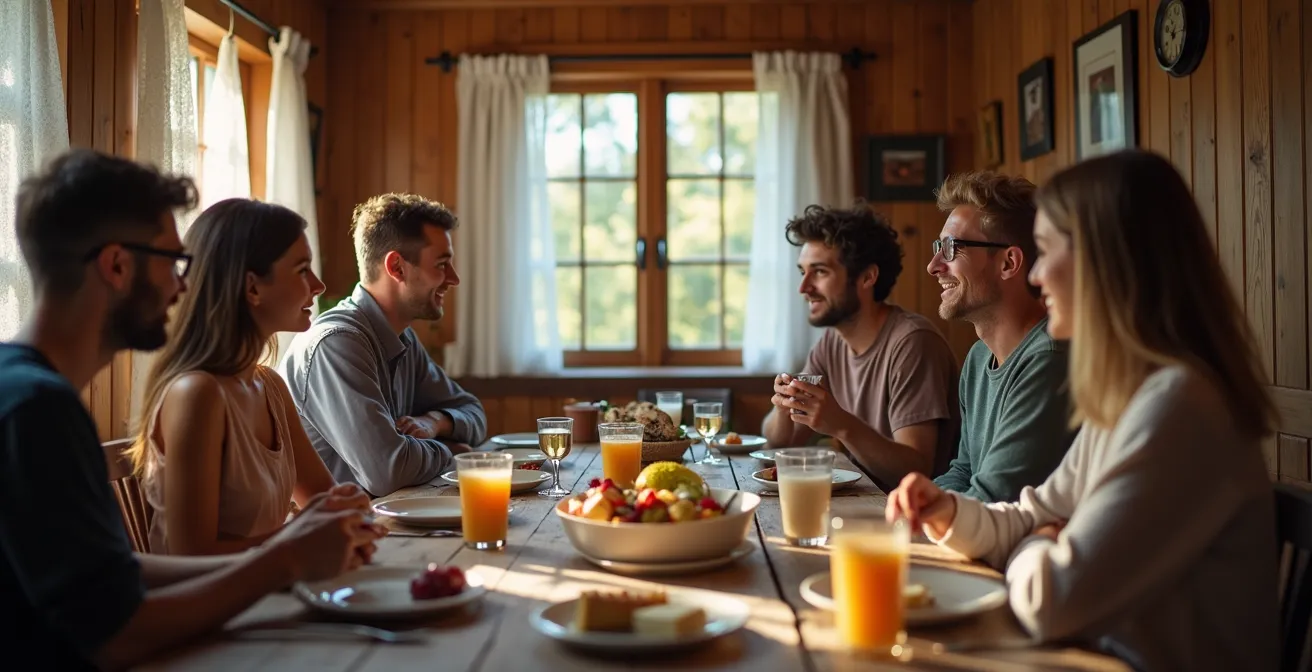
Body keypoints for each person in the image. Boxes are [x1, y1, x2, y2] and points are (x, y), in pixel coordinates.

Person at [888, 150, 1279, 671]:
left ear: (1108, 263)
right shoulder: (1131, 394)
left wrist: (1037, 546)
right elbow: (1031, 514)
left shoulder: (1180, 406)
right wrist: (949, 513)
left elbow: (1054, 602)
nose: (1038, 274)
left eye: (1047, 251)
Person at [0, 149, 382, 669]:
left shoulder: (32, 394)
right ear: (116, 265)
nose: (184, 284)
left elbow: (118, 573)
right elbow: (115, 635)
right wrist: (285, 558)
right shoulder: (35, 410)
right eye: (172, 262)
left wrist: (292, 552)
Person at [129, 198, 352, 555]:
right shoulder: (197, 394)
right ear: (252, 289)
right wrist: (300, 537)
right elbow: (193, 557)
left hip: (268, 591)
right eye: (302, 269)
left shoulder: (270, 386)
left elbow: (322, 500)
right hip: (211, 606)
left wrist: (347, 507)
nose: (319, 285)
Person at [279, 193, 486, 496]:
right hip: (339, 537)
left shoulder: (402, 337)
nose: (453, 279)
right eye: (442, 265)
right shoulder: (336, 343)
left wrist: (436, 422)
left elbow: (473, 411)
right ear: (397, 268)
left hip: (384, 526)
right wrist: (452, 451)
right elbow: (389, 470)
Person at [761, 204, 959, 488]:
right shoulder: (831, 343)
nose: (803, 288)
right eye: (803, 272)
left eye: (819, 272)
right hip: (862, 503)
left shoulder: (913, 342)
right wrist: (784, 406)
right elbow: (780, 442)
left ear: (867, 277)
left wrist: (841, 424)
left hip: (909, 518)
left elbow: (916, 471)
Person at [928, 171, 1075, 503]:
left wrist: (915, 516)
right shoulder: (979, 357)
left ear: (1009, 262)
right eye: (939, 246)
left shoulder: (1049, 361)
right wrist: (914, 503)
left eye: (951, 248)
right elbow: (964, 471)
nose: (934, 265)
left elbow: (995, 497)